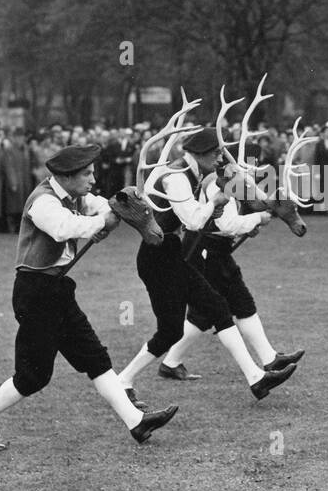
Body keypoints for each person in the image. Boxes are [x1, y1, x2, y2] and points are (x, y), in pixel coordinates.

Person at [0, 143, 178, 450]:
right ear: (66, 176)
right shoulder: (42, 202)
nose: (93, 180)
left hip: (59, 289)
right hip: (35, 292)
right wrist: (99, 223)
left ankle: (137, 421)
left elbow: (104, 205)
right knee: (33, 376)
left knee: (96, 358)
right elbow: (63, 228)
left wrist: (119, 207)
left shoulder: (75, 195)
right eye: (87, 174)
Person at [117, 128, 298, 404]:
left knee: (218, 309)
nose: (220, 158)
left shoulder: (195, 173)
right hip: (157, 261)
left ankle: (257, 378)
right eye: (215, 153)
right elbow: (191, 220)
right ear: (198, 154)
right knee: (170, 331)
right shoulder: (176, 177)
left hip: (173, 256)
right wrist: (215, 202)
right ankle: (123, 380)